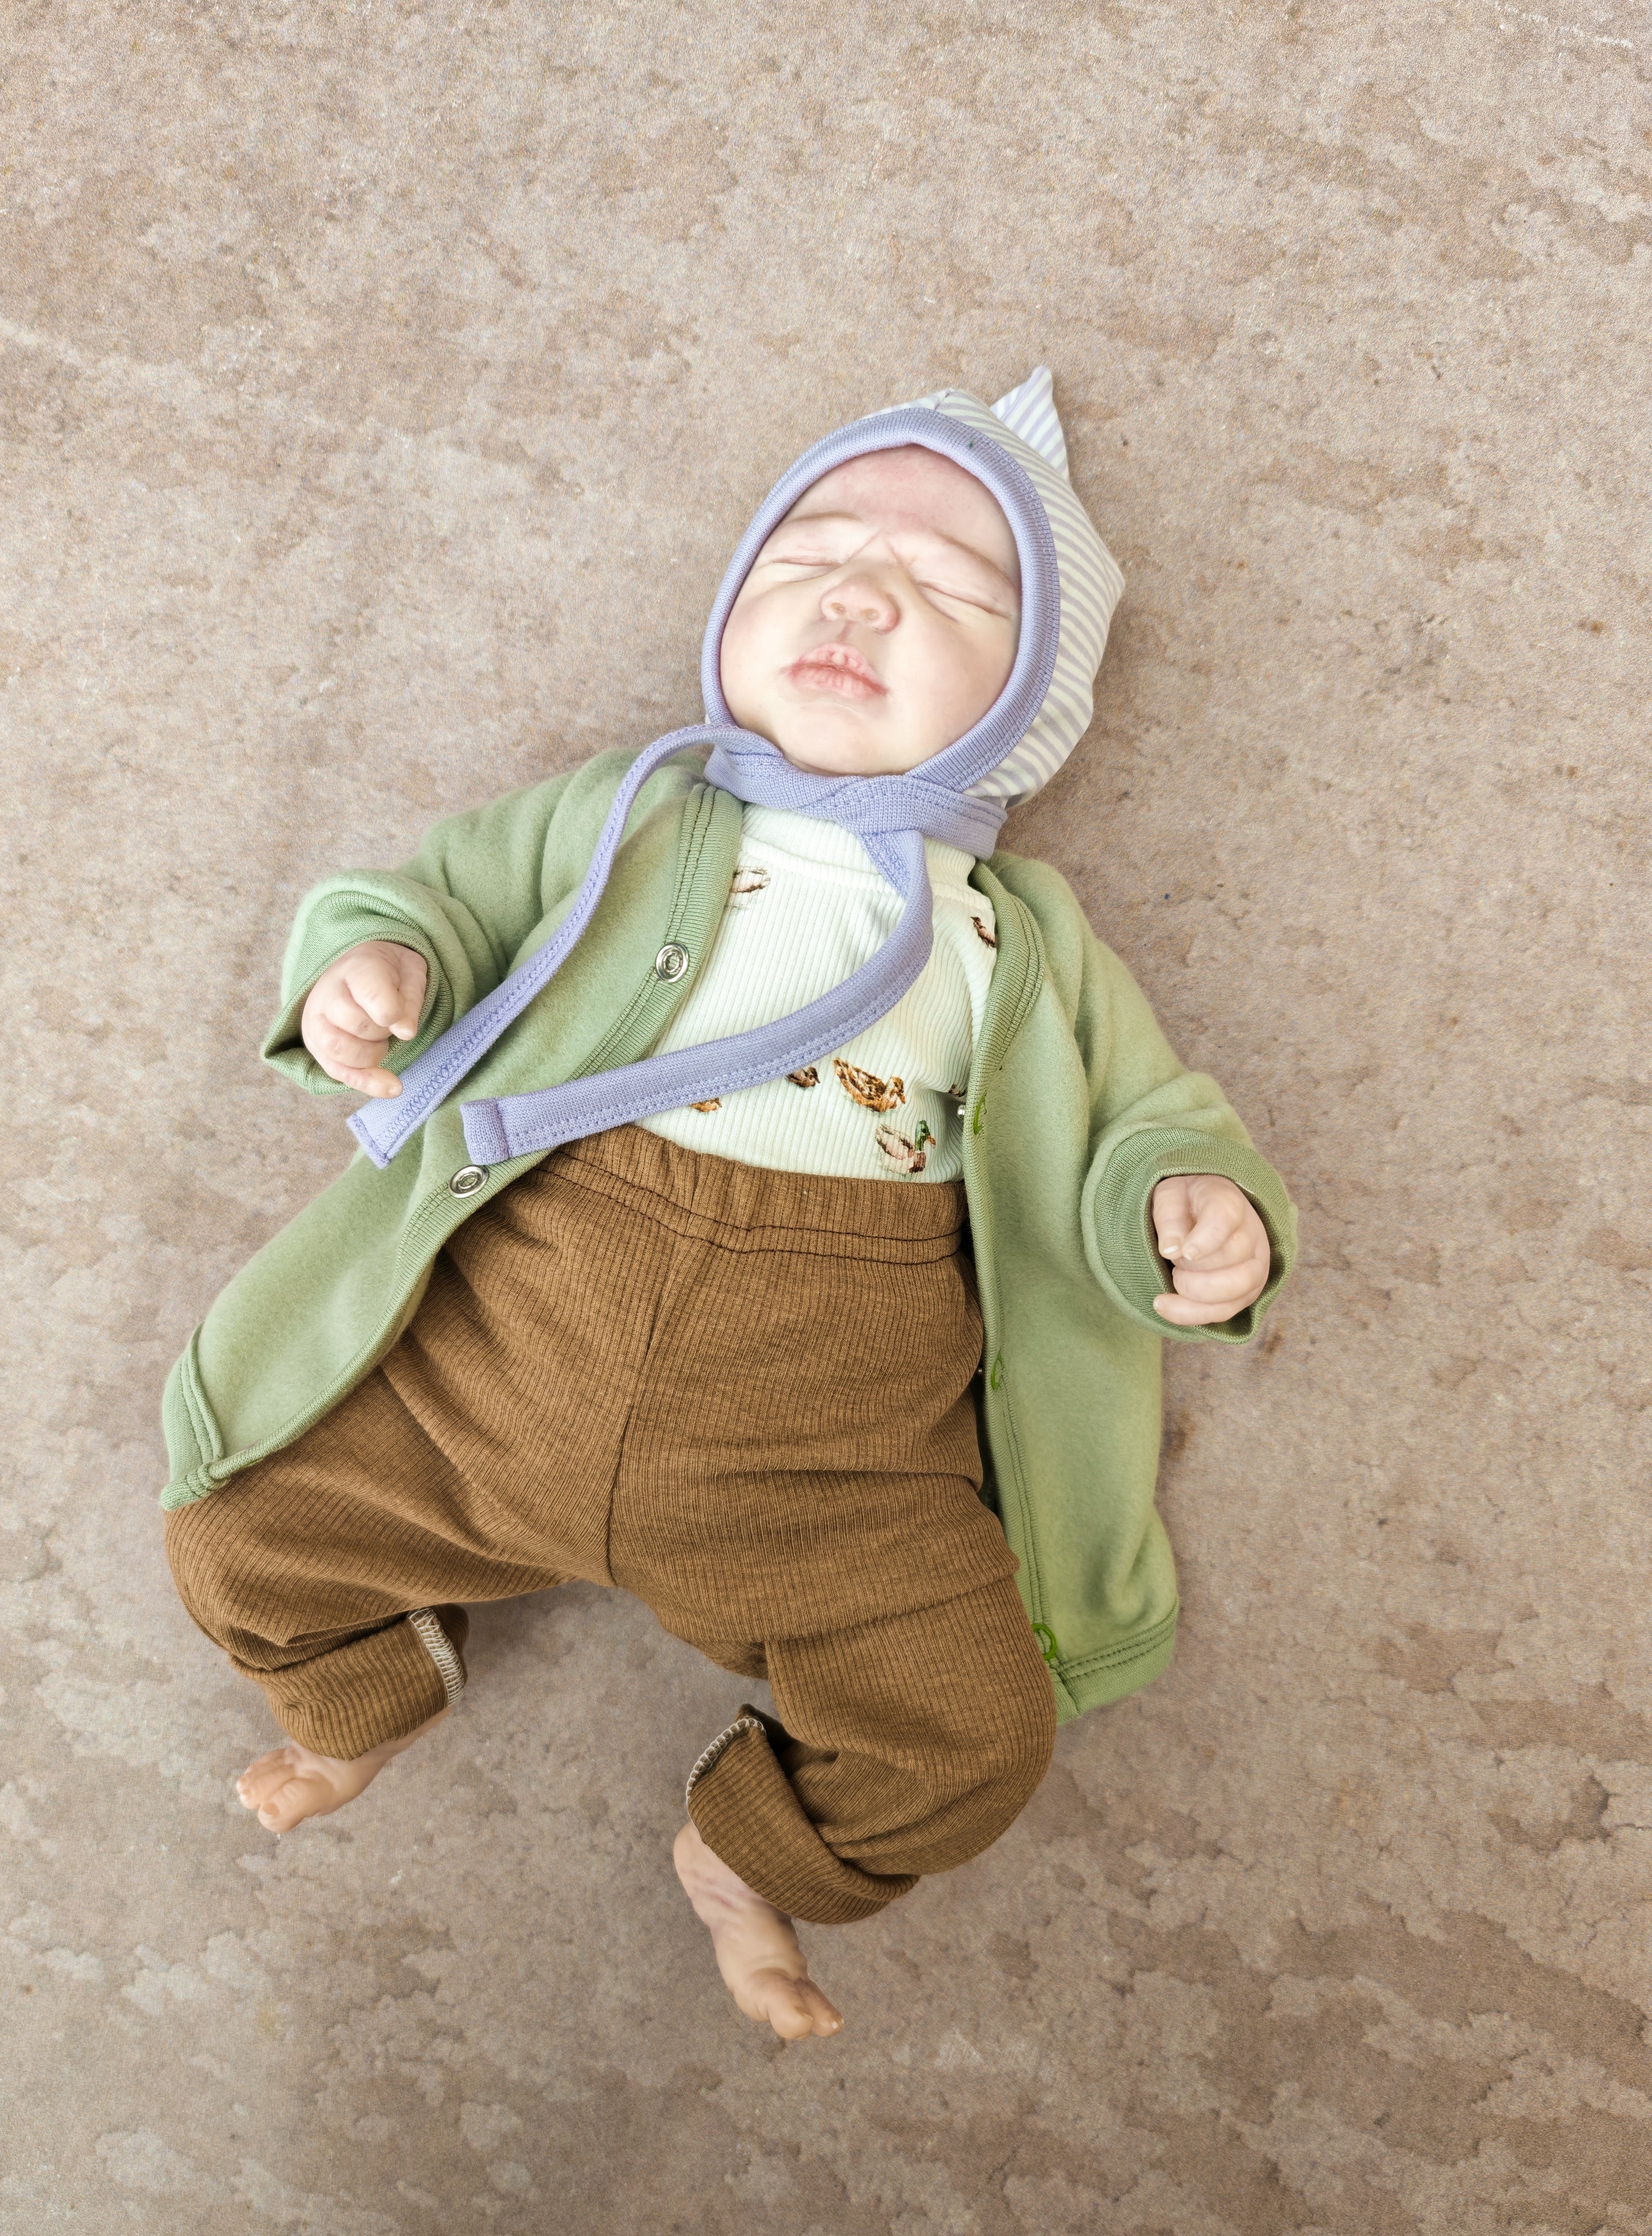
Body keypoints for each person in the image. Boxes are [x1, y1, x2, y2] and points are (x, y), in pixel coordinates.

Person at [161, 370, 1295, 2042]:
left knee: (977, 1737)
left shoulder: (1018, 937)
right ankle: (370, 1691)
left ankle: (747, 1850)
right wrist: (378, 963)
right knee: (232, 1527)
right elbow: (442, 894)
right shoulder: (629, 810)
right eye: (812, 552)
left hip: (823, 1467)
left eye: (952, 590)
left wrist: (1190, 1204)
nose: (860, 594)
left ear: (1030, 705)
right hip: (489, 1381)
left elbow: (1142, 1112)